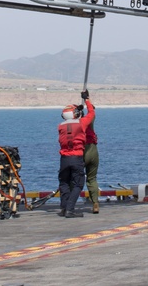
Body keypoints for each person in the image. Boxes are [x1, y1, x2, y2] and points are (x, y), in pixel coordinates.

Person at [57, 90, 95, 218]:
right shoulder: (81, 123)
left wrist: (78, 109)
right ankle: (70, 209)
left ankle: (63, 207)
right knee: (78, 183)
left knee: (64, 183)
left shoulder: (61, 126)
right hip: (76, 157)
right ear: (75, 114)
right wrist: (87, 99)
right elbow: (91, 114)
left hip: (64, 158)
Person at [83, 91, 100, 214]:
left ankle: (68, 204)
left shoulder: (75, 124)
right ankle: (95, 203)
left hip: (81, 151)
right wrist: (86, 100)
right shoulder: (89, 123)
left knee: (75, 178)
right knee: (92, 179)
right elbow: (91, 113)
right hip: (93, 150)